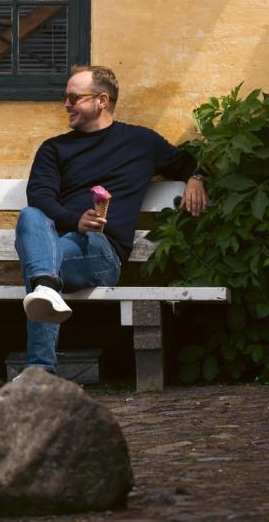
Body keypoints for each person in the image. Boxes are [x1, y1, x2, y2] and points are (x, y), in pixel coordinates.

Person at [15, 65, 207, 375]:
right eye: (65, 98)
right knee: (30, 216)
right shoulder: (55, 149)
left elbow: (188, 162)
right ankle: (47, 294)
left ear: (102, 100)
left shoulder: (141, 142)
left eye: (74, 98)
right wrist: (75, 220)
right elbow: (40, 197)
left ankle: (40, 365)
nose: (66, 104)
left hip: (102, 253)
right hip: (61, 243)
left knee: (39, 270)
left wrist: (195, 177)